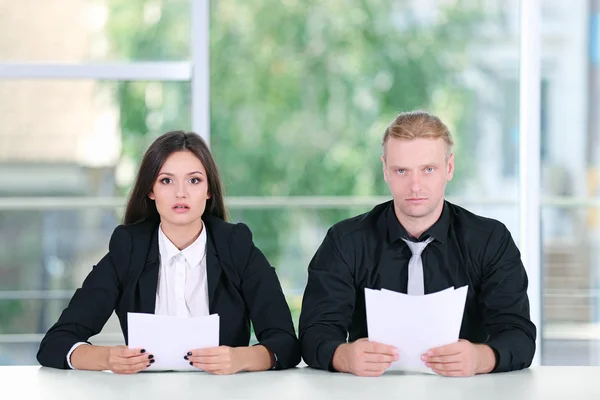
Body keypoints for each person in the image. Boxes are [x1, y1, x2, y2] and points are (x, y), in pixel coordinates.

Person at [37, 131, 301, 374]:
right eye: (166, 180)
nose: (181, 193)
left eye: (194, 180)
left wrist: (240, 359)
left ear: (208, 190)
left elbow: (286, 344)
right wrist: (107, 358)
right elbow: (55, 343)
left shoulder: (237, 246)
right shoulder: (128, 248)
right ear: (150, 190)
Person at [299, 110, 536, 377]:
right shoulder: (345, 241)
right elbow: (314, 331)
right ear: (385, 170)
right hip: (369, 390)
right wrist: (342, 356)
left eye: (428, 170)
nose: (415, 186)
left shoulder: (490, 240)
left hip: (465, 391)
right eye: (401, 170)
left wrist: (481, 358)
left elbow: (519, 335)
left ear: (449, 168)